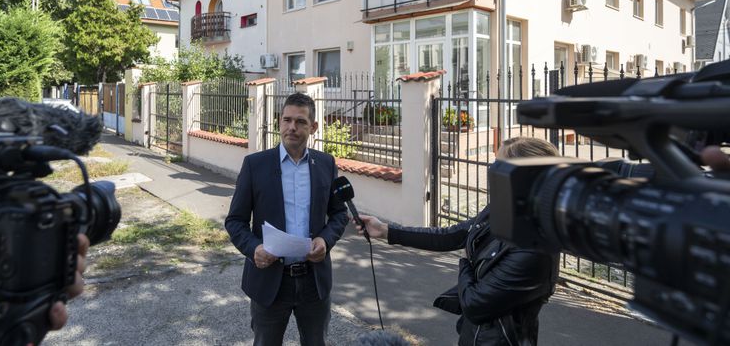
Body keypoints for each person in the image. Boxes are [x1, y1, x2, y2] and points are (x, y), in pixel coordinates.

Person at [357, 136, 561, 346]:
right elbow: (453, 234)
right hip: (472, 336)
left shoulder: (535, 249)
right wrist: (386, 231)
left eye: (499, 165)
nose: (491, 170)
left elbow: (475, 304)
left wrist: (465, 262)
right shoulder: (504, 207)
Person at [225, 92, 349, 346]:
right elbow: (235, 221)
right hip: (270, 281)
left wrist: (325, 240)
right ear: (279, 122)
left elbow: (339, 213)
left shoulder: (326, 164)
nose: (292, 127)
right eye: (287, 120)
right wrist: (253, 248)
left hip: (314, 282)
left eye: (301, 122)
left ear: (313, 127)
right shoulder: (254, 165)